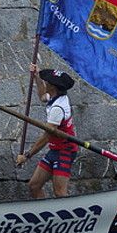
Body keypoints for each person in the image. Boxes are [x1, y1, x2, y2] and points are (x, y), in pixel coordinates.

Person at [16, 68, 77, 199]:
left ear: (53, 87)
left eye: (47, 82)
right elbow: (43, 96)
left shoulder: (58, 109)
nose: (46, 82)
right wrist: (37, 77)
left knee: (60, 193)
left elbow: (46, 137)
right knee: (34, 186)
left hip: (65, 151)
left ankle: (67, 217)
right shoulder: (56, 95)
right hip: (55, 150)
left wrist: (27, 156)